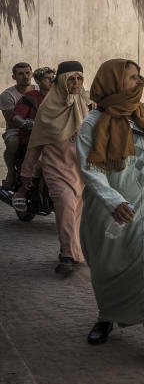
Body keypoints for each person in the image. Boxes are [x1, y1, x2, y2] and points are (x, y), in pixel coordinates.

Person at [76, 59, 144, 360]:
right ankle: (106, 315)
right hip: (110, 210)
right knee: (109, 268)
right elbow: (89, 169)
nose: (139, 81)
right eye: (131, 77)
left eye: (139, 76)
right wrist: (114, 202)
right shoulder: (93, 122)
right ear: (112, 82)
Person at [16, 62, 91, 273]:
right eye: (71, 78)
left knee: (76, 212)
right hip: (56, 167)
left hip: (81, 170)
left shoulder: (86, 104)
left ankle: (72, 251)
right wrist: (26, 172)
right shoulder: (48, 107)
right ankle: (67, 255)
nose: (76, 83)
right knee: (66, 203)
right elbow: (36, 142)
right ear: (61, 81)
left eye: (80, 78)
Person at [9, 67, 53, 215]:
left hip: (56, 138)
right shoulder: (30, 97)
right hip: (33, 136)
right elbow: (15, 116)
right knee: (38, 156)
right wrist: (25, 123)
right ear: (38, 81)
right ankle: (22, 191)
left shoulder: (59, 97)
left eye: (53, 78)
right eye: (48, 78)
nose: (51, 81)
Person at [2, 62, 36, 189]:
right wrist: (27, 123)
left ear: (32, 74)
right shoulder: (7, 95)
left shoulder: (40, 89)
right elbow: (11, 121)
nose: (25, 76)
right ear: (14, 77)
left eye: (28, 73)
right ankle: (11, 171)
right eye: (21, 74)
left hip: (41, 128)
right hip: (16, 129)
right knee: (12, 142)